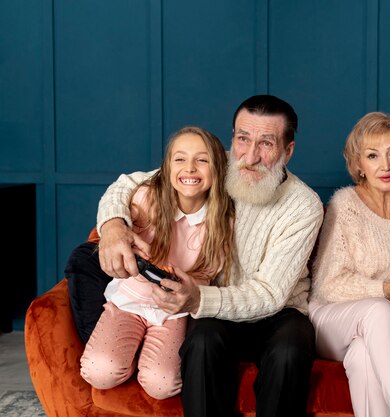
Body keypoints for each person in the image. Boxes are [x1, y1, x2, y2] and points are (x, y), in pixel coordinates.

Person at [70, 95, 324, 417]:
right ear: (232, 137)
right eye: (243, 139)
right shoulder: (216, 164)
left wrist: (197, 300)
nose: (251, 155)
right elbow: (130, 184)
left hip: (277, 310)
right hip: (212, 305)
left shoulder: (304, 205)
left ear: (288, 151)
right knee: (202, 341)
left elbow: (271, 293)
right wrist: (113, 226)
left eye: (267, 143)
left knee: (290, 350)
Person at [79, 126, 234, 399]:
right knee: (99, 371)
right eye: (180, 159)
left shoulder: (223, 219)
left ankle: (145, 353)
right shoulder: (145, 196)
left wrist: (187, 287)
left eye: (202, 160)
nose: (190, 168)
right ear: (166, 166)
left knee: (162, 385)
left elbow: (211, 269)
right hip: (131, 299)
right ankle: (128, 350)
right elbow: (117, 198)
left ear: (218, 168)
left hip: (174, 311)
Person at [309, 112, 390, 417]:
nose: (385, 165)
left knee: (364, 356)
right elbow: (328, 285)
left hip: (387, 331)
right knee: (380, 308)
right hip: (331, 319)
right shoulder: (345, 205)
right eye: (373, 156)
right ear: (359, 165)